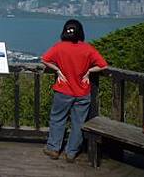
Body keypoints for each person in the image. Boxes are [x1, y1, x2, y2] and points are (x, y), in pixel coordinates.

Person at [41, 19, 108, 162]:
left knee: (57, 119)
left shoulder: (59, 47)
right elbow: (103, 66)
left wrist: (58, 70)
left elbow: (44, 59)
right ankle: (71, 152)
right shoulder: (88, 49)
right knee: (78, 123)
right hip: (82, 93)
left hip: (63, 90)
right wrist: (89, 71)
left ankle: (53, 148)